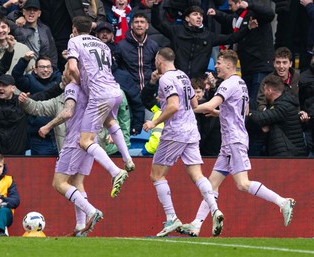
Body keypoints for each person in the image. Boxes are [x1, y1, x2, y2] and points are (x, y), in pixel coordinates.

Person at [180, 50, 296, 237]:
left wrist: (185, 109)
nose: (216, 66)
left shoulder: (229, 83)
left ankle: (282, 202)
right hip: (230, 141)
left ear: (229, 64)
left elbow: (210, 105)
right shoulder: (241, 83)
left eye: (219, 62)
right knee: (211, 185)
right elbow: (242, 110)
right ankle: (196, 224)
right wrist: (220, 113)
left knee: (242, 184)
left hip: (234, 140)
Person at [142, 47, 224, 237]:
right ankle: (214, 209)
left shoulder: (166, 79)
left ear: (159, 60)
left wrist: (153, 121)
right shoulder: (183, 76)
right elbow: (194, 105)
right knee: (197, 174)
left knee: (157, 175)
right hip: (192, 130)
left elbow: (173, 106)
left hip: (175, 132)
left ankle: (171, 218)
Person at [19, 81, 104, 236]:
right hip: (89, 141)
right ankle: (80, 226)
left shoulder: (72, 89)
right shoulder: (89, 91)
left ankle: (91, 211)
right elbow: (39, 107)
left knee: (59, 183)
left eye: (66, 68)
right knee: (77, 182)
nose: (63, 73)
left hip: (75, 142)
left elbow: (67, 113)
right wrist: (25, 102)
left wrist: (48, 126)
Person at [67, 16, 134, 198]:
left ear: (74, 28)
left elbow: (72, 67)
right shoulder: (102, 44)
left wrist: (82, 84)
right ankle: (127, 159)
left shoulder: (74, 41)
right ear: (91, 29)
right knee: (110, 121)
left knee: (85, 141)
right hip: (115, 90)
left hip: (98, 94)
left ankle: (115, 171)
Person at [151, 3, 253, 80]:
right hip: (177, 79)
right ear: (187, 18)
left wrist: (248, 28)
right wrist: (155, 6)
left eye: (200, 15)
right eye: (195, 14)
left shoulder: (208, 36)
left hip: (198, 83)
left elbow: (232, 38)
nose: (199, 17)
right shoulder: (176, 31)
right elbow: (157, 24)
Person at [207, 0, 275, 111]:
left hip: (260, 65)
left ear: (239, 3)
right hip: (247, 66)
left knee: (255, 101)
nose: (229, 8)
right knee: (246, 101)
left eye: (230, 5)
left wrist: (249, 5)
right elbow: (228, 19)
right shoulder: (238, 18)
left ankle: (253, 126)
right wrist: (216, 13)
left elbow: (270, 14)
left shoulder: (256, 13)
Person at [12, 54, 62, 155]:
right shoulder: (30, 81)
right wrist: (24, 60)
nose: (45, 70)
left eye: (48, 67)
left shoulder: (60, 80)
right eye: (42, 67)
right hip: (39, 137)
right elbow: (16, 77)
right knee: (41, 169)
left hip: (59, 134)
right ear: (35, 70)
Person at [248, 74, 307, 156]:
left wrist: (248, 112)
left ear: (269, 91)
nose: (263, 93)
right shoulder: (282, 103)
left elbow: (260, 118)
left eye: (264, 90)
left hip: (289, 155)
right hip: (288, 153)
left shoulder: (283, 106)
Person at [0, 0, 58, 65]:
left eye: (35, 10)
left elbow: (52, 53)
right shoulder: (15, 26)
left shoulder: (45, 29)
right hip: (19, 67)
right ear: (24, 12)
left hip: (40, 70)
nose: (32, 12)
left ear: (39, 13)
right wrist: (6, 5)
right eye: (29, 9)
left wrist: (53, 68)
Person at [115, 11, 158, 90]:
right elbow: (116, 68)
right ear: (131, 25)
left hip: (149, 90)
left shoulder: (153, 45)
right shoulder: (121, 46)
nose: (139, 25)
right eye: (136, 22)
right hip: (129, 90)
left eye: (142, 22)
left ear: (147, 26)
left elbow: (155, 68)